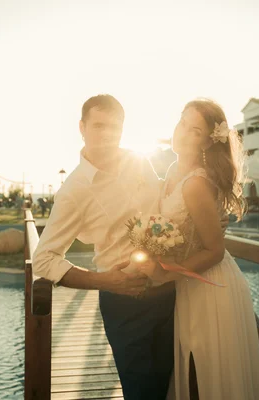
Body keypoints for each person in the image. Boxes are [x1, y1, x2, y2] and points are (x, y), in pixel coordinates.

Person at [32, 94, 175, 400]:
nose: (108, 134)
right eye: (99, 126)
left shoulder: (140, 161)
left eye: (115, 127)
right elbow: (44, 259)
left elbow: (164, 208)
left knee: (171, 389)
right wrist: (104, 281)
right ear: (82, 127)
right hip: (127, 302)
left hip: (172, 291)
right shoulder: (74, 190)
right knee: (142, 394)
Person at [137, 99, 259, 399]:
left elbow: (215, 251)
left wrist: (162, 274)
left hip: (212, 287)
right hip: (189, 284)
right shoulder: (172, 169)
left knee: (206, 375)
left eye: (194, 131)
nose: (181, 133)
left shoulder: (196, 183)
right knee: (194, 370)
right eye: (182, 122)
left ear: (208, 141)